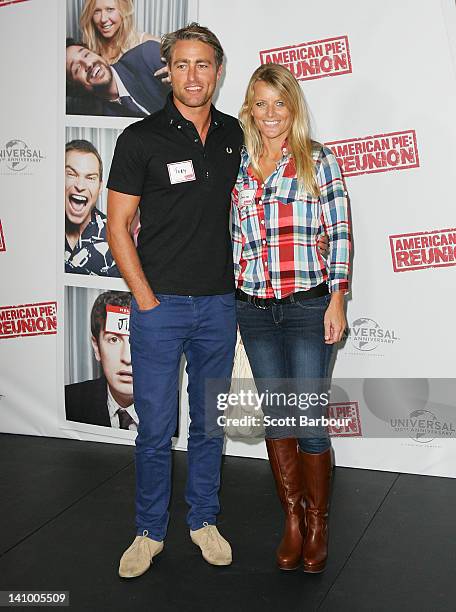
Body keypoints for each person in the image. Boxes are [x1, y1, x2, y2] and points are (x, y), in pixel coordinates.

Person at [106, 23, 243, 578]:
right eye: (182, 64)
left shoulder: (237, 134)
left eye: (203, 65)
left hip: (219, 305)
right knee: (156, 429)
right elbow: (117, 227)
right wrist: (145, 300)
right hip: (159, 307)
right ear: (168, 70)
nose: (193, 76)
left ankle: (203, 520)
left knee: (210, 425)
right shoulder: (139, 138)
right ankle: (148, 531)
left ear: (217, 70)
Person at [232, 64, 351, 573]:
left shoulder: (318, 161)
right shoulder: (237, 164)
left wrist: (339, 297)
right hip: (254, 309)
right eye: (261, 103)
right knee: (277, 418)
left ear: (294, 107)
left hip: (307, 306)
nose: (271, 113)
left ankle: (319, 523)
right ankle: (293, 522)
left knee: (307, 420)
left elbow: (340, 231)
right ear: (249, 109)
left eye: (280, 103)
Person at [65, 291, 137, 429]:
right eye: (114, 339)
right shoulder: (68, 401)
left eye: (140, 340)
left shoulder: (180, 408)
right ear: (97, 347)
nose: (127, 358)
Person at [66, 38, 169, 117]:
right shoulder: (101, 117)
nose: (88, 64)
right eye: (77, 68)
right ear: (76, 87)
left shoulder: (146, 55)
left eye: (86, 55)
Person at [65, 139, 120, 277]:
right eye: (71, 174)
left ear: (100, 187)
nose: (80, 186)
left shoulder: (118, 238)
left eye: (90, 178)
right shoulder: (39, 230)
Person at [80, 0, 160, 64]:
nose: (103, 19)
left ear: (124, 10)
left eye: (110, 9)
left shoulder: (144, 43)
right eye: (96, 11)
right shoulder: (87, 51)